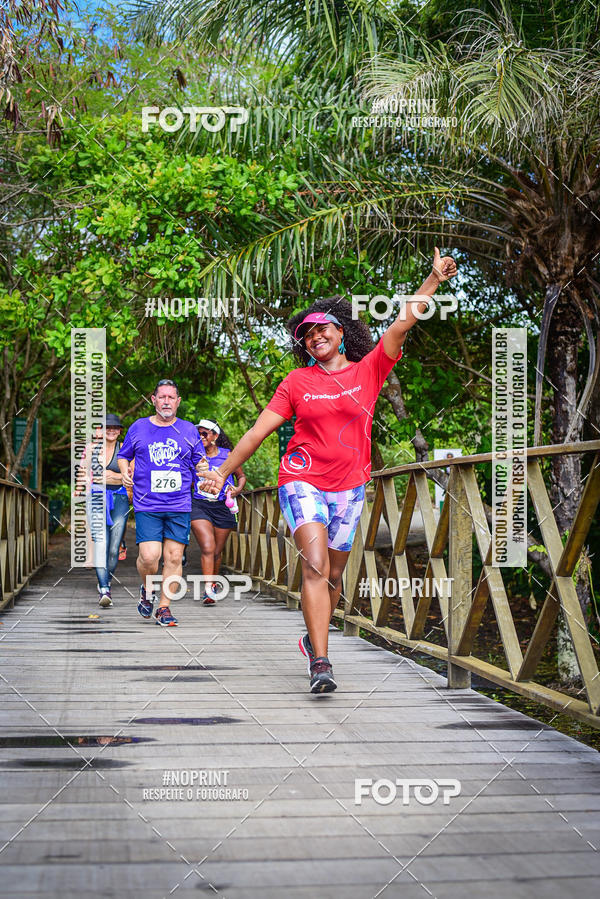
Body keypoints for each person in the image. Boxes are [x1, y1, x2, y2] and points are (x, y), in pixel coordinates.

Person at [198, 248, 457, 692]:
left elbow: (401, 322)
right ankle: (321, 662)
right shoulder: (296, 383)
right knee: (315, 567)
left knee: (334, 576)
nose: (315, 336)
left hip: (351, 488)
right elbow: (258, 431)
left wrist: (432, 279)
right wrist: (223, 473)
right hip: (301, 480)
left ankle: (311, 634)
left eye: (322, 329)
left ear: (341, 332)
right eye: (307, 334)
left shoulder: (370, 370)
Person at [117, 379, 205, 626]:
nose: (166, 401)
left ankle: (164, 608)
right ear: (153, 400)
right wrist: (124, 471)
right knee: (149, 556)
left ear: (178, 402)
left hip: (179, 504)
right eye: (162, 397)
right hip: (148, 504)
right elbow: (124, 456)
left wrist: (208, 475)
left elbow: (200, 462)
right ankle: (147, 589)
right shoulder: (139, 427)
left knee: (174, 557)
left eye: (171, 397)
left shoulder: (188, 430)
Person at [77, 414, 131, 608]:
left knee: (114, 547)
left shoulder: (125, 448)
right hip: (96, 498)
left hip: (120, 499)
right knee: (101, 542)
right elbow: (84, 473)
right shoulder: (91, 449)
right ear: (102, 429)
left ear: (119, 431)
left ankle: (105, 579)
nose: (111, 430)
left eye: (115, 428)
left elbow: (129, 477)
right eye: (108, 427)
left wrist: (111, 476)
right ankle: (104, 588)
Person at [191, 419, 246, 605]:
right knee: (208, 546)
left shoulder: (228, 455)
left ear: (215, 436)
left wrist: (237, 490)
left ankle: (212, 584)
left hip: (223, 506)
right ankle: (208, 589)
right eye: (199, 433)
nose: (201, 437)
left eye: (205, 433)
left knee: (216, 550)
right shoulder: (194, 456)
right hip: (199, 504)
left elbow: (241, 476)